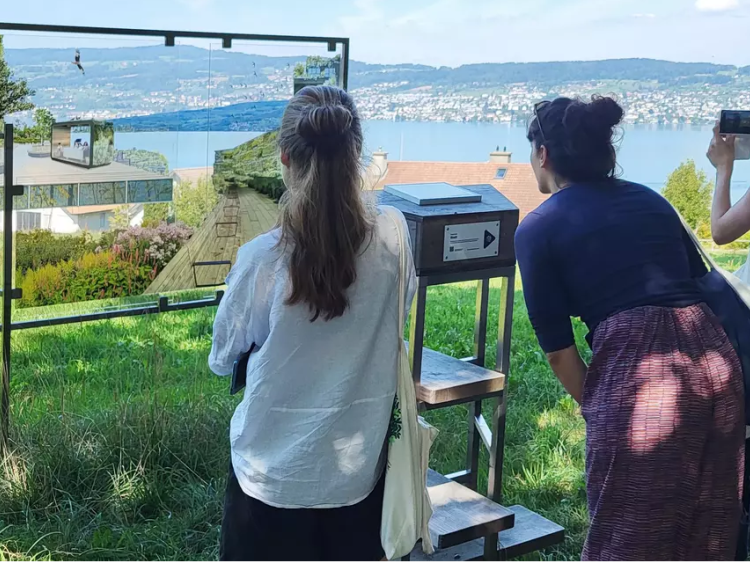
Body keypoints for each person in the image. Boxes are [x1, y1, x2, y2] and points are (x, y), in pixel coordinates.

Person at [515, 95, 745, 560]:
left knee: (628, 536)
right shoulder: (650, 200)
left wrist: (599, 406)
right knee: (711, 532)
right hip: (717, 363)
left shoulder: (537, 228)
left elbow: (559, 352)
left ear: (543, 154)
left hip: (645, 375)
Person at [208, 85, 416, 561]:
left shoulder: (262, 258)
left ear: (284, 158)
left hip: (268, 482)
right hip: (359, 481)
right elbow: (398, 310)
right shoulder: (394, 237)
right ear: (356, 153)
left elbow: (222, 358)